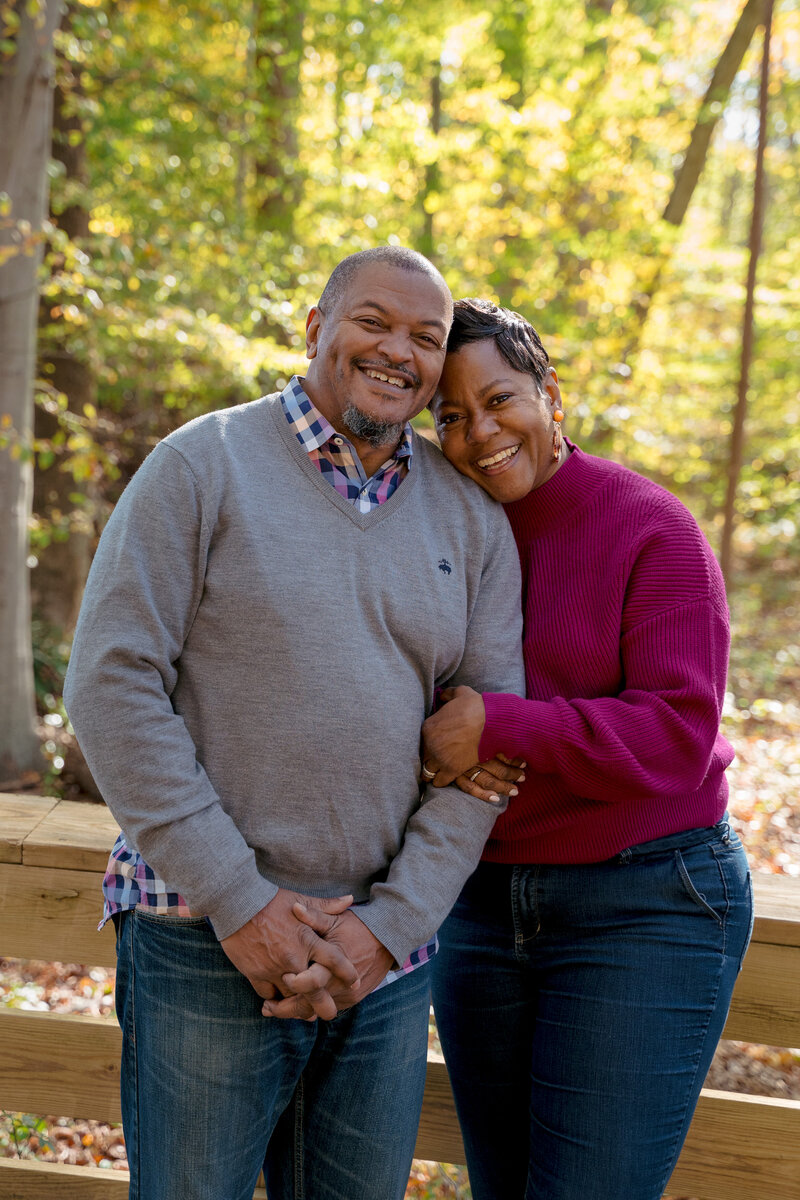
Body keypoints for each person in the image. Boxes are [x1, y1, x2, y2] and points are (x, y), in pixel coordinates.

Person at [63, 252, 526, 1200]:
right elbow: (111, 686)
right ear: (313, 328)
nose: (399, 352)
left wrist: (387, 930)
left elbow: (488, 756)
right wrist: (241, 899)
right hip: (201, 933)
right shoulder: (202, 465)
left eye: (426, 339)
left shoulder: (472, 520)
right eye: (373, 322)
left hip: (383, 967)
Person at [421, 298, 753, 1200]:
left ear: (550, 394)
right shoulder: (434, 533)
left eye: (498, 400)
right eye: (450, 416)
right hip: (480, 907)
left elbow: (680, 734)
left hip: (644, 900)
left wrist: (503, 724)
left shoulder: (652, 529)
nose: (479, 431)